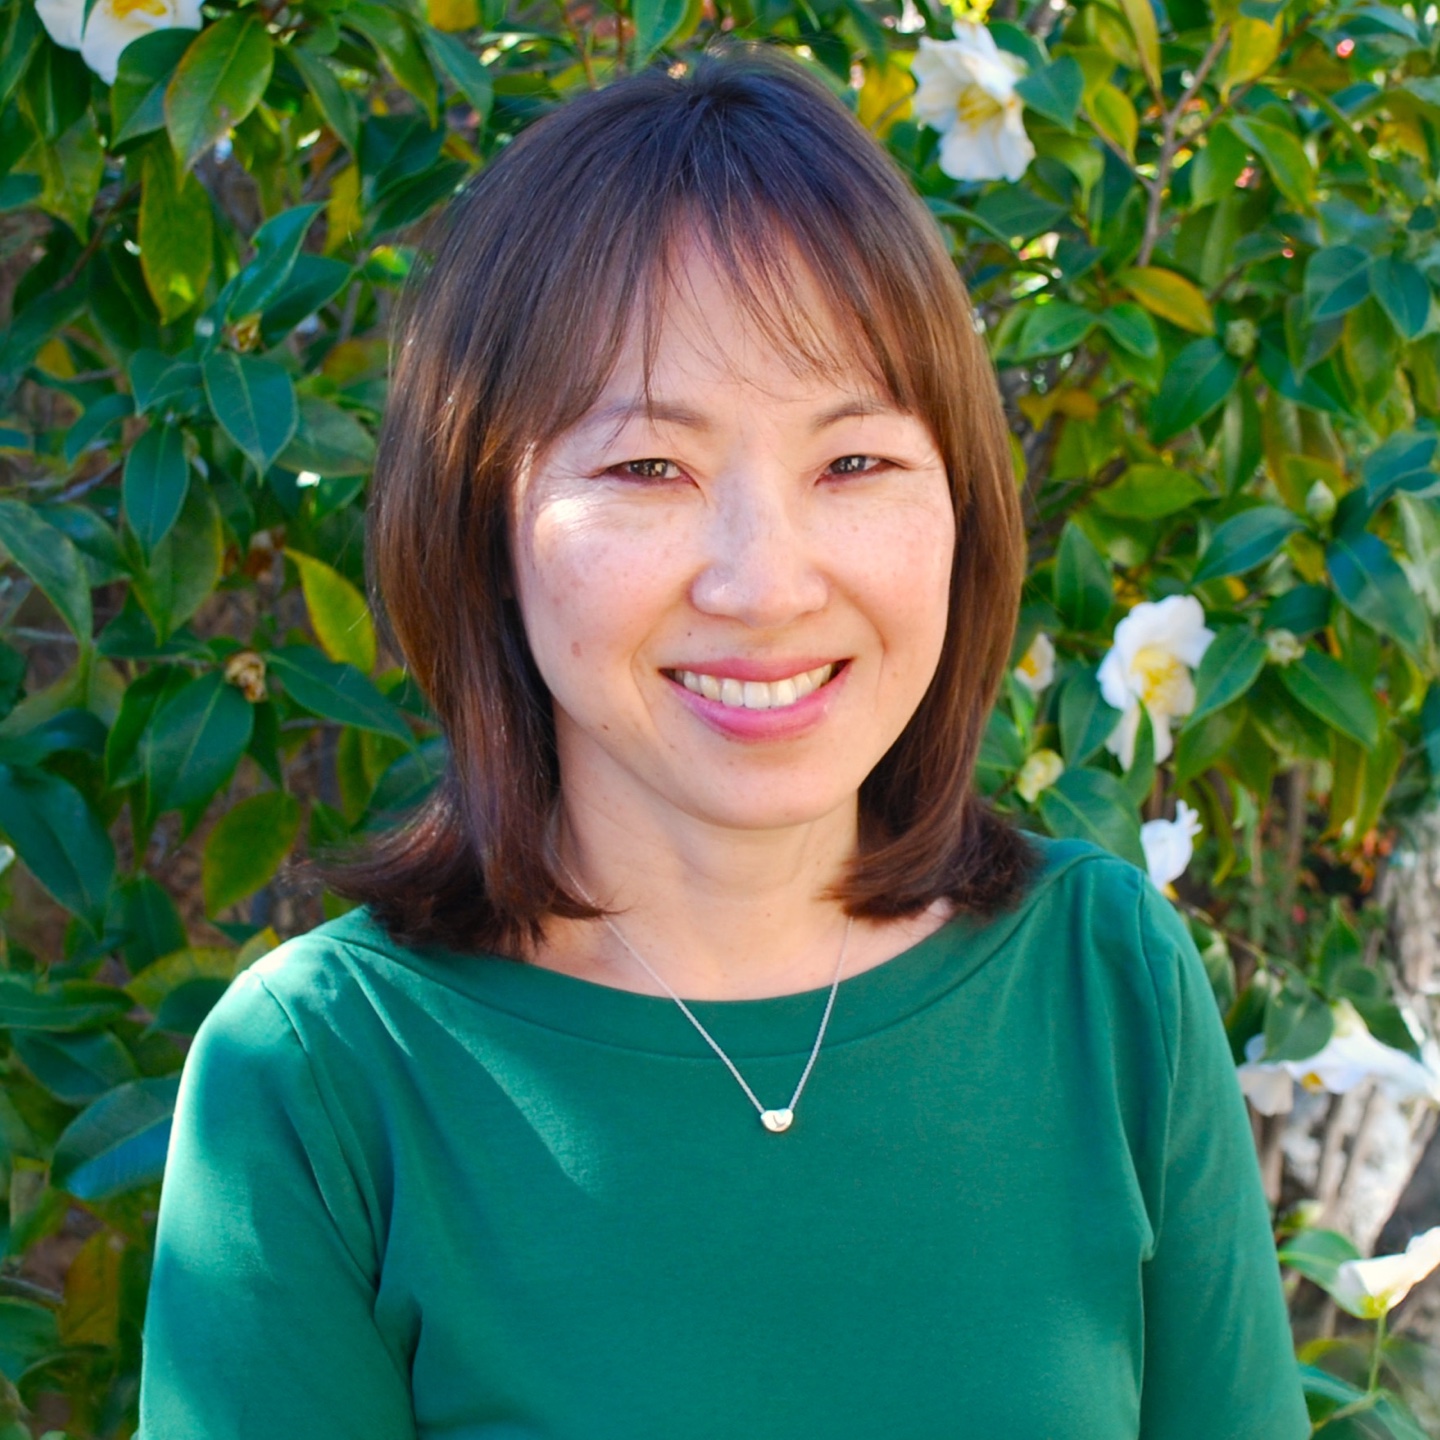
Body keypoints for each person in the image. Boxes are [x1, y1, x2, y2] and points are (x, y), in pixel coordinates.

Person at [136, 49, 1311, 1439]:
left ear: (962, 507)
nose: (765, 584)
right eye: (649, 468)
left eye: (853, 462)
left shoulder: (1107, 984)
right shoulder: (325, 1081)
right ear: (486, 529)